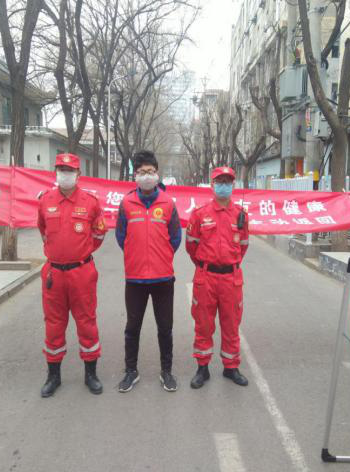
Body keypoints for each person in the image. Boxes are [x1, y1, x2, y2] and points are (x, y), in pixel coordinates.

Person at [37, 153, 106, 397]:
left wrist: (80, 253)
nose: (65, 174)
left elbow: (98, 234)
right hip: (54, 274)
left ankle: (91, 374)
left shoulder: (90, 202)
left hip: (82, 272)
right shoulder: (45, 200)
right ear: (55, 172)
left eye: (69, 170)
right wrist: (60, 253)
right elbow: (43, 230)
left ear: (78, 174)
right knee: (54, 325)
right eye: (61, 170)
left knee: (87, 322)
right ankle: (53, 376)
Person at [115, 150, 182, 392]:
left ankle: (167, 372)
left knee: (165, 328)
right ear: (135, 175)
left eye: (150, 172)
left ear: (157, 174)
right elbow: (121, 237)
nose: (146, 176)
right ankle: (130, 371)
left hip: (163, 278)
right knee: (132, 328)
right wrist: (136, 256)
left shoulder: (168, 203)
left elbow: (175, 238)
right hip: (135, 279)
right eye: (142, 172)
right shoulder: (126, 203)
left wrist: (160, 256)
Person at [185, 166, 250, 389]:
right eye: (219, 181)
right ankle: (202, 367)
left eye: (227, 181)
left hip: (231, 279)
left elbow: (243, 245)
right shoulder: (200, 214)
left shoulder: (241, 215)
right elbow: (191, 246)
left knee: (231, 324)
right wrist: (207, 264)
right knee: (203, 324)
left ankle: (231, 367)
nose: (223, 185)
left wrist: (229, 264)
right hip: (206, 277)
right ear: (212, 185)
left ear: (233, 185)